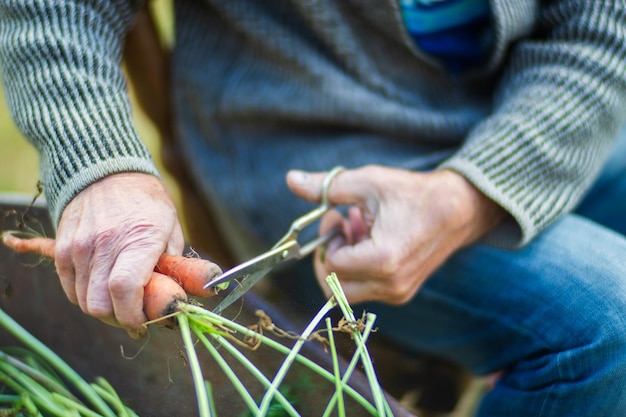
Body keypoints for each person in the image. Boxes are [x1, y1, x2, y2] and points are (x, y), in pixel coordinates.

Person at [1, 0, 626, 415]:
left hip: (534, 114)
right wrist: (100, 164)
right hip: (305, 159)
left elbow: (602, 31)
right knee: (610, 327)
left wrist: (472, 194)